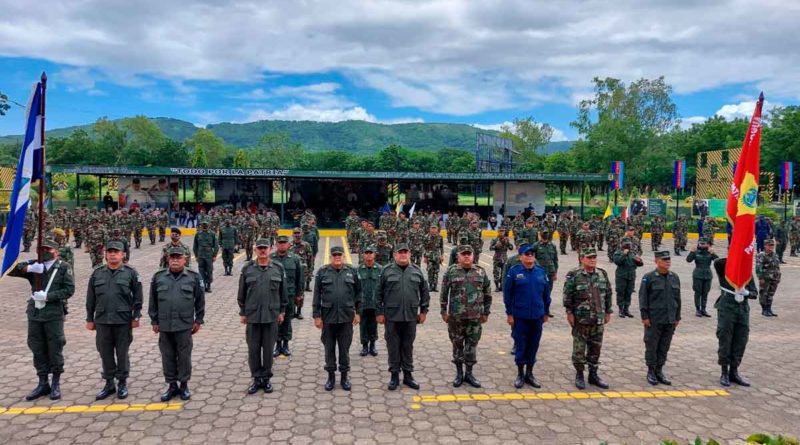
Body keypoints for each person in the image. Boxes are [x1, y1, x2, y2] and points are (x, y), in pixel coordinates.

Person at [8, 238, 75, 400]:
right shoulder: (35, 265)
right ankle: (42, 382)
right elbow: (9, 269)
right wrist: (28, 268)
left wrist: (48, 296)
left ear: (56, 252)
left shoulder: (64, 267)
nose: (44, 252)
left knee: (55, 346)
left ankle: (56, 383)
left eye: (48, 249)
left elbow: (69, 290)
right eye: (41, 249)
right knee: (36, 346)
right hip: (35, 314)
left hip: (53, 314)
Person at [85, 241, 143, 400]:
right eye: (109, 251)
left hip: (123, 320)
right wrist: (90, 318)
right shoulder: (97, 273)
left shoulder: (131, 273)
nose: (112, 254)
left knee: (122, 352)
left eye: (116, 252)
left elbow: (138, 297)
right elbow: (91, 299)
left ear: (123, 254)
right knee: (105, 352)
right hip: (102, 320)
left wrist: (136, 316)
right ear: (105, 254)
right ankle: (109, 383)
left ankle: (122, 382)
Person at [149, 246, 205, 401]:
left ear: (185, 259)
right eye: (172, 257)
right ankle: (171, 384)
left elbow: (200, 300)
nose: (174, 260)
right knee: (167, 355)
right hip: (165, 324)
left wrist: (198, 320)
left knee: (184, 356)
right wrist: (154, 320)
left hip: (184, 324)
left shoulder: (193, 277)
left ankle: (184, 385)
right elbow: (152, 301)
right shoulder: (159, 277)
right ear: (167, 259)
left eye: (178, 257)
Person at [376, 243, 430, 390]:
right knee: (393, 347)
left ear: (410, 254)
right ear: (394, 255)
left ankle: (408, 375)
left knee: (407, 346)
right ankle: (394, 376)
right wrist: (379, 312)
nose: (403, 255)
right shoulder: (387, 271)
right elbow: (378, 293)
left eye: (405, 252)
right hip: (391, 317)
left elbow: (425, 293)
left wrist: (424, 311)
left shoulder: (417, 271)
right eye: (400, 252)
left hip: (411, 317)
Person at [238, 238, 287, 394]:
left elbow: (283, 294)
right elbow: (241, 293)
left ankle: (266, 379)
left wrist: (282, 312)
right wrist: (243, 312)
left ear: (270, 249)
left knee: (267, 351)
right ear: (255, 250)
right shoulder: (247, 269)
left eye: (265, 248)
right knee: (253, 350)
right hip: (252, 316)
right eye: (259, 248)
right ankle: (256, 378)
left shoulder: (278, 268)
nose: (262, 250)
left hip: (271, 316)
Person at [440, 244, 492, 388]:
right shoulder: (451, 272)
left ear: (473, 256)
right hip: (456, 317)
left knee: (471, 346)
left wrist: (486, 312)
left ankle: (469, 373)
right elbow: (444, 293)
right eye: (464, 254)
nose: (467, 256)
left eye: (469, 254)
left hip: (475, 318)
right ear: (458, 256)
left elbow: (488, 294)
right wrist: (443, 311)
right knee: (457, 346)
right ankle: (459, 374)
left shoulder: (481, 272)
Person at [313, 246, 362, 391]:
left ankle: (345, 376)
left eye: (339, 255)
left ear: (344, 257)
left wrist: (358, 312)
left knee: (344, 349)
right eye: (334, 255)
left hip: (346, 318)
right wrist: (317, 316)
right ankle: (331, 377)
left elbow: (359, 294)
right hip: (328, 318)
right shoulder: (322, 272)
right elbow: (316, 295)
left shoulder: (352, 272)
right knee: (329, 349)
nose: (337, 257)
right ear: (330, 257)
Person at [563, 248, 612, 390]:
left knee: (595, 349)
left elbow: (608, 293)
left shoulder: (602, 274)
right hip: (581, 320)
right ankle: (579, 374)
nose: (592, 260)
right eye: (589, 257)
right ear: (582, 258)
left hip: (598, 319)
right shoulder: (574, 274)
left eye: (594, 257)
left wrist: (608, 311)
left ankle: (593, 375)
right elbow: (568, 296)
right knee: (579, 350)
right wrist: (569, 313)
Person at [503, 244, 550, 388]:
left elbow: (546, 295)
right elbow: (508, 295)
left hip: (537, 316)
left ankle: (530, 373)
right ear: (520, 257)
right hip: (520, 316)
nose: (530, 256)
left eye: (532, 254)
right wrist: (509, 314)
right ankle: (520, 373)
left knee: (533, 345)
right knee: (521, 345)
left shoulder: (541, 272)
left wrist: (546, 312)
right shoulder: (514, 272)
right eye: (527, 254)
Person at [638, 251, 681, 386]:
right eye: (664, 259)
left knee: (664, 346)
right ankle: (651, 371)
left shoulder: (674, 277)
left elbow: (678, 299)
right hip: (654, 319)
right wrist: (644, 316)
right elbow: (643, 298)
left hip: (669, 319)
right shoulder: (649, 277)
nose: (668, 262)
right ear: (657, 261)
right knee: (652, 345)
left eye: (669, 259)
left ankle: (659, 370)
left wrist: (677, 316)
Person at [713, 258, 757, 387]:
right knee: (725, 339)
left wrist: (746, 292)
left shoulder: (747, 275)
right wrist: (735, 255)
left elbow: (755, 294)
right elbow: (717, 263)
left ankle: (734, 371)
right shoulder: (725, 271)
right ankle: (724, 372)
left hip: (742, 310)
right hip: (727, 309)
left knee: (741, 340)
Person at [271, 236, 305, 357]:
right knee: (275, 321)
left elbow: (300, 278)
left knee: (287, 320)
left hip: (290, 295)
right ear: (276, 244)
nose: (282, 245)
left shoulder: (295, 259)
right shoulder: (271, 259)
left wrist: (299, 294)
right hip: (274, 296)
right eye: (280, 243)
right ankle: (277, 344)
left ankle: (285, 344)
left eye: (284, 243)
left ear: (288, 245)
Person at [357, 245, 382, 357]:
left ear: (374, 255)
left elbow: (383, 287)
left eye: (370, 253)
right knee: (363, 325)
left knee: (373, 324)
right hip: (362, 303)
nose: (368, 255)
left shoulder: (381, 269)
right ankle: (364, 346)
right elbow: (355, 288)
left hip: (374, 303)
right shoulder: (357, 269)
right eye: (366, 253)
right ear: (363, 255)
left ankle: (372, 345)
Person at [686, 237, 718, 317]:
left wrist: (713, 253)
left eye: (704, 243)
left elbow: (718, 262)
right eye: (700, 243)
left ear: (708, 244)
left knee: (705, 293)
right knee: (698, 292)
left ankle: (703, 309)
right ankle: (697, 309)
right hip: (698, 274)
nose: (702, 245)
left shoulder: (710, 252)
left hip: (707, 275)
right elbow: (688, 260)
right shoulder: (696, 252)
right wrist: (692, 252)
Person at [612, 240, 643, 318]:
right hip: (621, 276)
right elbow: (617, 261)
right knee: (621, 292)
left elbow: (640, 264)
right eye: (626, 245)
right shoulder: (618, 253)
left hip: (631, 276)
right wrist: (624, 254)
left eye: (629, 245)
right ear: (622, 245)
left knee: (628, 292)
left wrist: (639, 261)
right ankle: (620, 309)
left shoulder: (633, 253)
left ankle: (626, 309)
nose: (628, 247)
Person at [756, 239, 781, 317]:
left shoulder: (774, 254)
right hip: (765, 278)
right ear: (765, 246)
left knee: (771, 294)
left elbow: (777, 266)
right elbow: (758, 268)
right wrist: (760, 278)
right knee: (764, 294)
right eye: (769, 245)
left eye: (772, 245)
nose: (771, 247)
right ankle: (764, 309)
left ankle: (769, 309)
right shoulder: (761, 255)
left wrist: (778, 277)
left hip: (775, 278)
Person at [193, 221, 219, 292]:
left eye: (205, 226)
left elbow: (216, 246)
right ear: (201, 226)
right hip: (200, 255)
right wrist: (196, 256)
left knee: (209, 270)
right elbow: (195, 246)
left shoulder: (212, 234)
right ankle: (203, 285)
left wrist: (214, 256)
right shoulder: (198, 234)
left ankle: (209, 285)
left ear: (208, 226)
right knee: (201, 271)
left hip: (209, 256)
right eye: (203, 226)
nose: (204, 227)